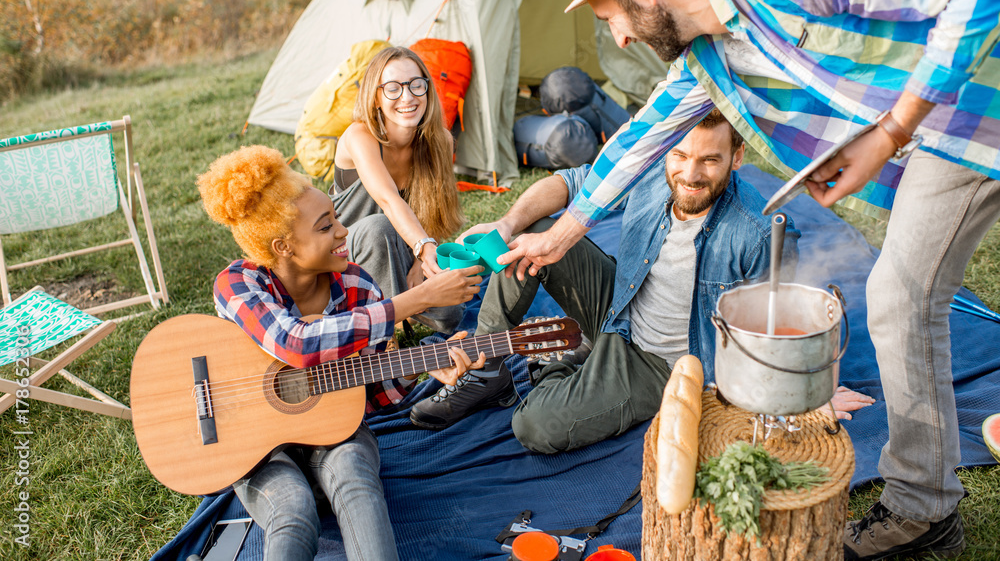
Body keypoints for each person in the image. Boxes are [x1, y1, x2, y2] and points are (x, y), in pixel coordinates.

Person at [502, 0, 1000, 558]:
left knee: (898, 298)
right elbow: (640, 138)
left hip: (974, 97)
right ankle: (924, 509)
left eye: (611, 16)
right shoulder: (711, 60)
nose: (618, 38)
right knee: (900, 298)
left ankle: (922, 507)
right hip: (953, 141)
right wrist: (562, 233)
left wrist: (890, 130)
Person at [410, 110, 874, 444]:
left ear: (737, 157)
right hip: (619, 304)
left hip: (662, 362)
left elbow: (776, 326)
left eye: (709, 160)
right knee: (529, 238)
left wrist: (804, 395)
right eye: (681, 155)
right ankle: (487, 369)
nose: (690, 174)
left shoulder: (758, 233)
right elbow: (571, 184)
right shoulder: (651, 172)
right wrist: (506, 224)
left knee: (533, 428)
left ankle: (564, 362)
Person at [198, 145, 484, 561]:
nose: (343, 232)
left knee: (356, 482)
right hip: (252, 438)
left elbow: (379, 394)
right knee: (292, 512)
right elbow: (295, 344)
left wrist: (426, 362)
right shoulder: (238, 284)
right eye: (325, 226)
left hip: (336, 431)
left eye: (336, 217)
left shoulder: (357, 287)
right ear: (284, 247)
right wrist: (414, 301)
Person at [332, 46, 466, 334]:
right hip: (343, 260)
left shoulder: (439, 139)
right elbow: (388, 199)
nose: (407, 97)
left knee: (453, 314)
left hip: (402, 252)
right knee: (377, 227)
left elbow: (435, 212)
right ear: (376, 97)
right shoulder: (359, 136)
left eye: (416, 85)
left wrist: (422, 263)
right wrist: (424, 247)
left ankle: (398, 307)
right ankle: (378, 330)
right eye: (393, 88)